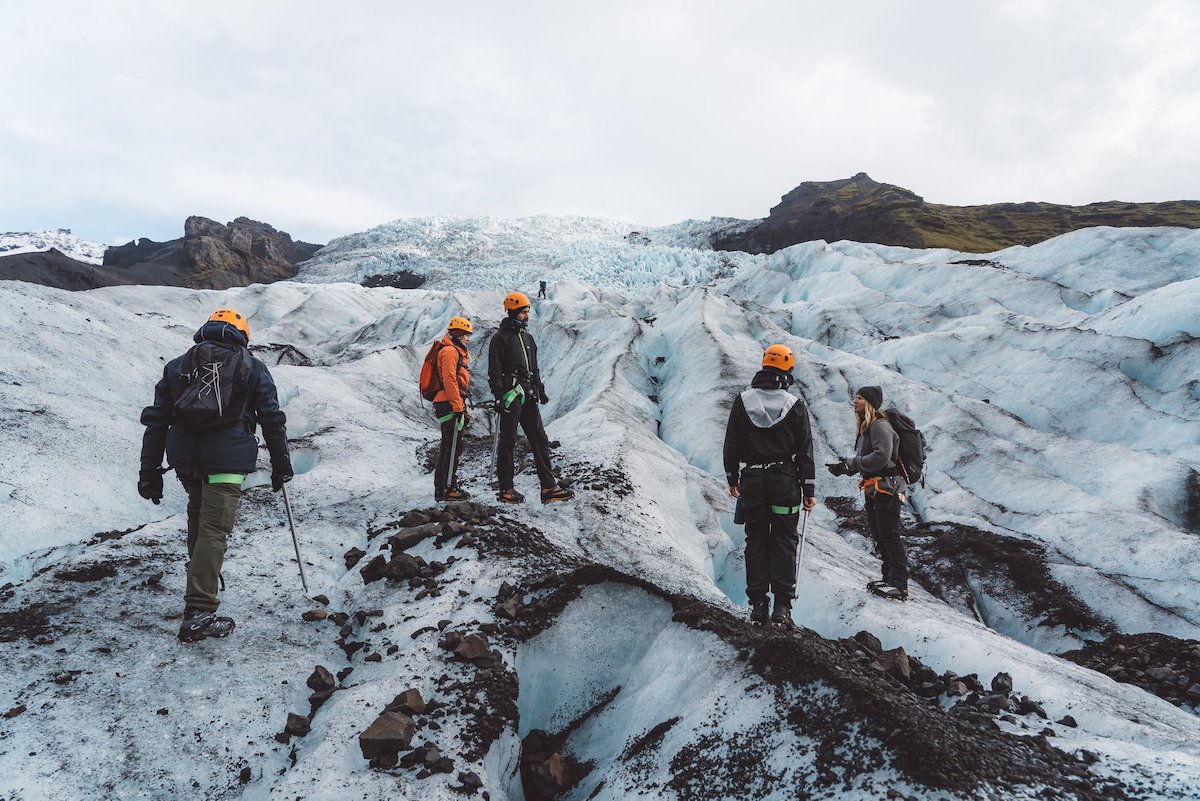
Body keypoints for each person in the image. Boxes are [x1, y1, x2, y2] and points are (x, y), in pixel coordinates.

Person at [138, 309, 293, 642]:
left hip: (184, 456)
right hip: (227, 455)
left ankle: (200, 579)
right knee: (214, 528)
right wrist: (281, 463)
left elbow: (156, 422)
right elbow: (271, 418)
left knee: (197, 511)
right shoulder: (251, 365)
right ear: (241, 335)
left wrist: (149, 470)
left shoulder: (178, 365)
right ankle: (199, 610)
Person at [723, 344, 817, 625]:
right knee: (785, 540)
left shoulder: (743, 401)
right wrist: (809, 490)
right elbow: (804, 451)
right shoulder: (794, 405)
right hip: (785, 483)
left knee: (757, 539)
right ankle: (782, 607)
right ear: (787, 370)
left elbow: (731, 443)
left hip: (752, 482)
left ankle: (758, 605)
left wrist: (732, 477)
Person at [487, 291, 573, 504]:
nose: (527, 316)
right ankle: (506, 489)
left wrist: (540, 388)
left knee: (540, 439)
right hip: (510, 394)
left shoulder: (528, 338)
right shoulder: (500, 339)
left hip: (528, 393)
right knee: (508, 441)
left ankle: (548, 488)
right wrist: (498, 395)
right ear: (513, 312)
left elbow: (534, 367)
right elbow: (495, 370)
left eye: (527, 312)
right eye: (524, 312)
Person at [826, 385, 909, 600]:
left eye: (860, 398)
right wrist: (846, 468)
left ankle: (899, 584)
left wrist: (852, 463)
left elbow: (882, 457)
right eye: (855, 397)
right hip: (876, 486)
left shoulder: (880, 426)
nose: (855, 401)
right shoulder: (868, 426)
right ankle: (889, 578)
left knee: (889, 533)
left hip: (888, 487)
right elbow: (873, 460)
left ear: (870, 403)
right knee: (880, 532)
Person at [432, 316, 473, 502]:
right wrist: (457, 406)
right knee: (452, 446)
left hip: (449, 402)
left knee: (450, 445)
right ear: (458, 334)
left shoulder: (452, 350)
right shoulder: (450, 352)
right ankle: (448, 488)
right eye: (466, 335)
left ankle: (444, 487)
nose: (468, 339)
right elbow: (449, 380)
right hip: (448, 403)